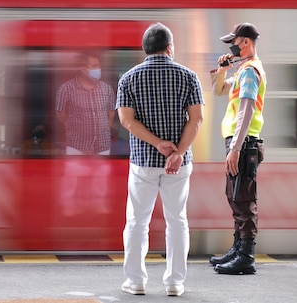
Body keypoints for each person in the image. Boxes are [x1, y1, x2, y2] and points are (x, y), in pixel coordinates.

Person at [116, 23, 204, 296]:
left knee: (137, 221)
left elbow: (126, 121)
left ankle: (136, 281)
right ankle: (175, 283)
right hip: (179, 164)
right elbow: (197, 119)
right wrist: (177, 152)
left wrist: (156, 143)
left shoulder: (128, 78)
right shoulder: (189, 76)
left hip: (143, 162)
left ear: (146, 49)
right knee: (176, 219)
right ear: (169, 47)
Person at [210, 22, 266, 275]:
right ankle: (237, 249)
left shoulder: (251, 71)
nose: (231, 46)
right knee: (234, 196)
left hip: (243, 144)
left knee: (244, 199)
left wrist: (235, 148)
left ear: (245, 41)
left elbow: (246, 110)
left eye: (233, 41)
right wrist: (222, 70)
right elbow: (218, 90)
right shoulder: (242, 70)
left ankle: (246, 256)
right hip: (239, 143)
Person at [55, 51, 117, 215]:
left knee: (100, 177)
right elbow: (60, 114)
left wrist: (104, 127)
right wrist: (76, 127)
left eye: (99, 66)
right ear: (83, 68)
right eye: (94, 66)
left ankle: (97, 204)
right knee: (72, 176)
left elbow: (111, 111)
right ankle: (69, 206)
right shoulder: (66, 89)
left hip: (102, 141)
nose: (98, 70)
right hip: (76, 142)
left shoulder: (106, 89)